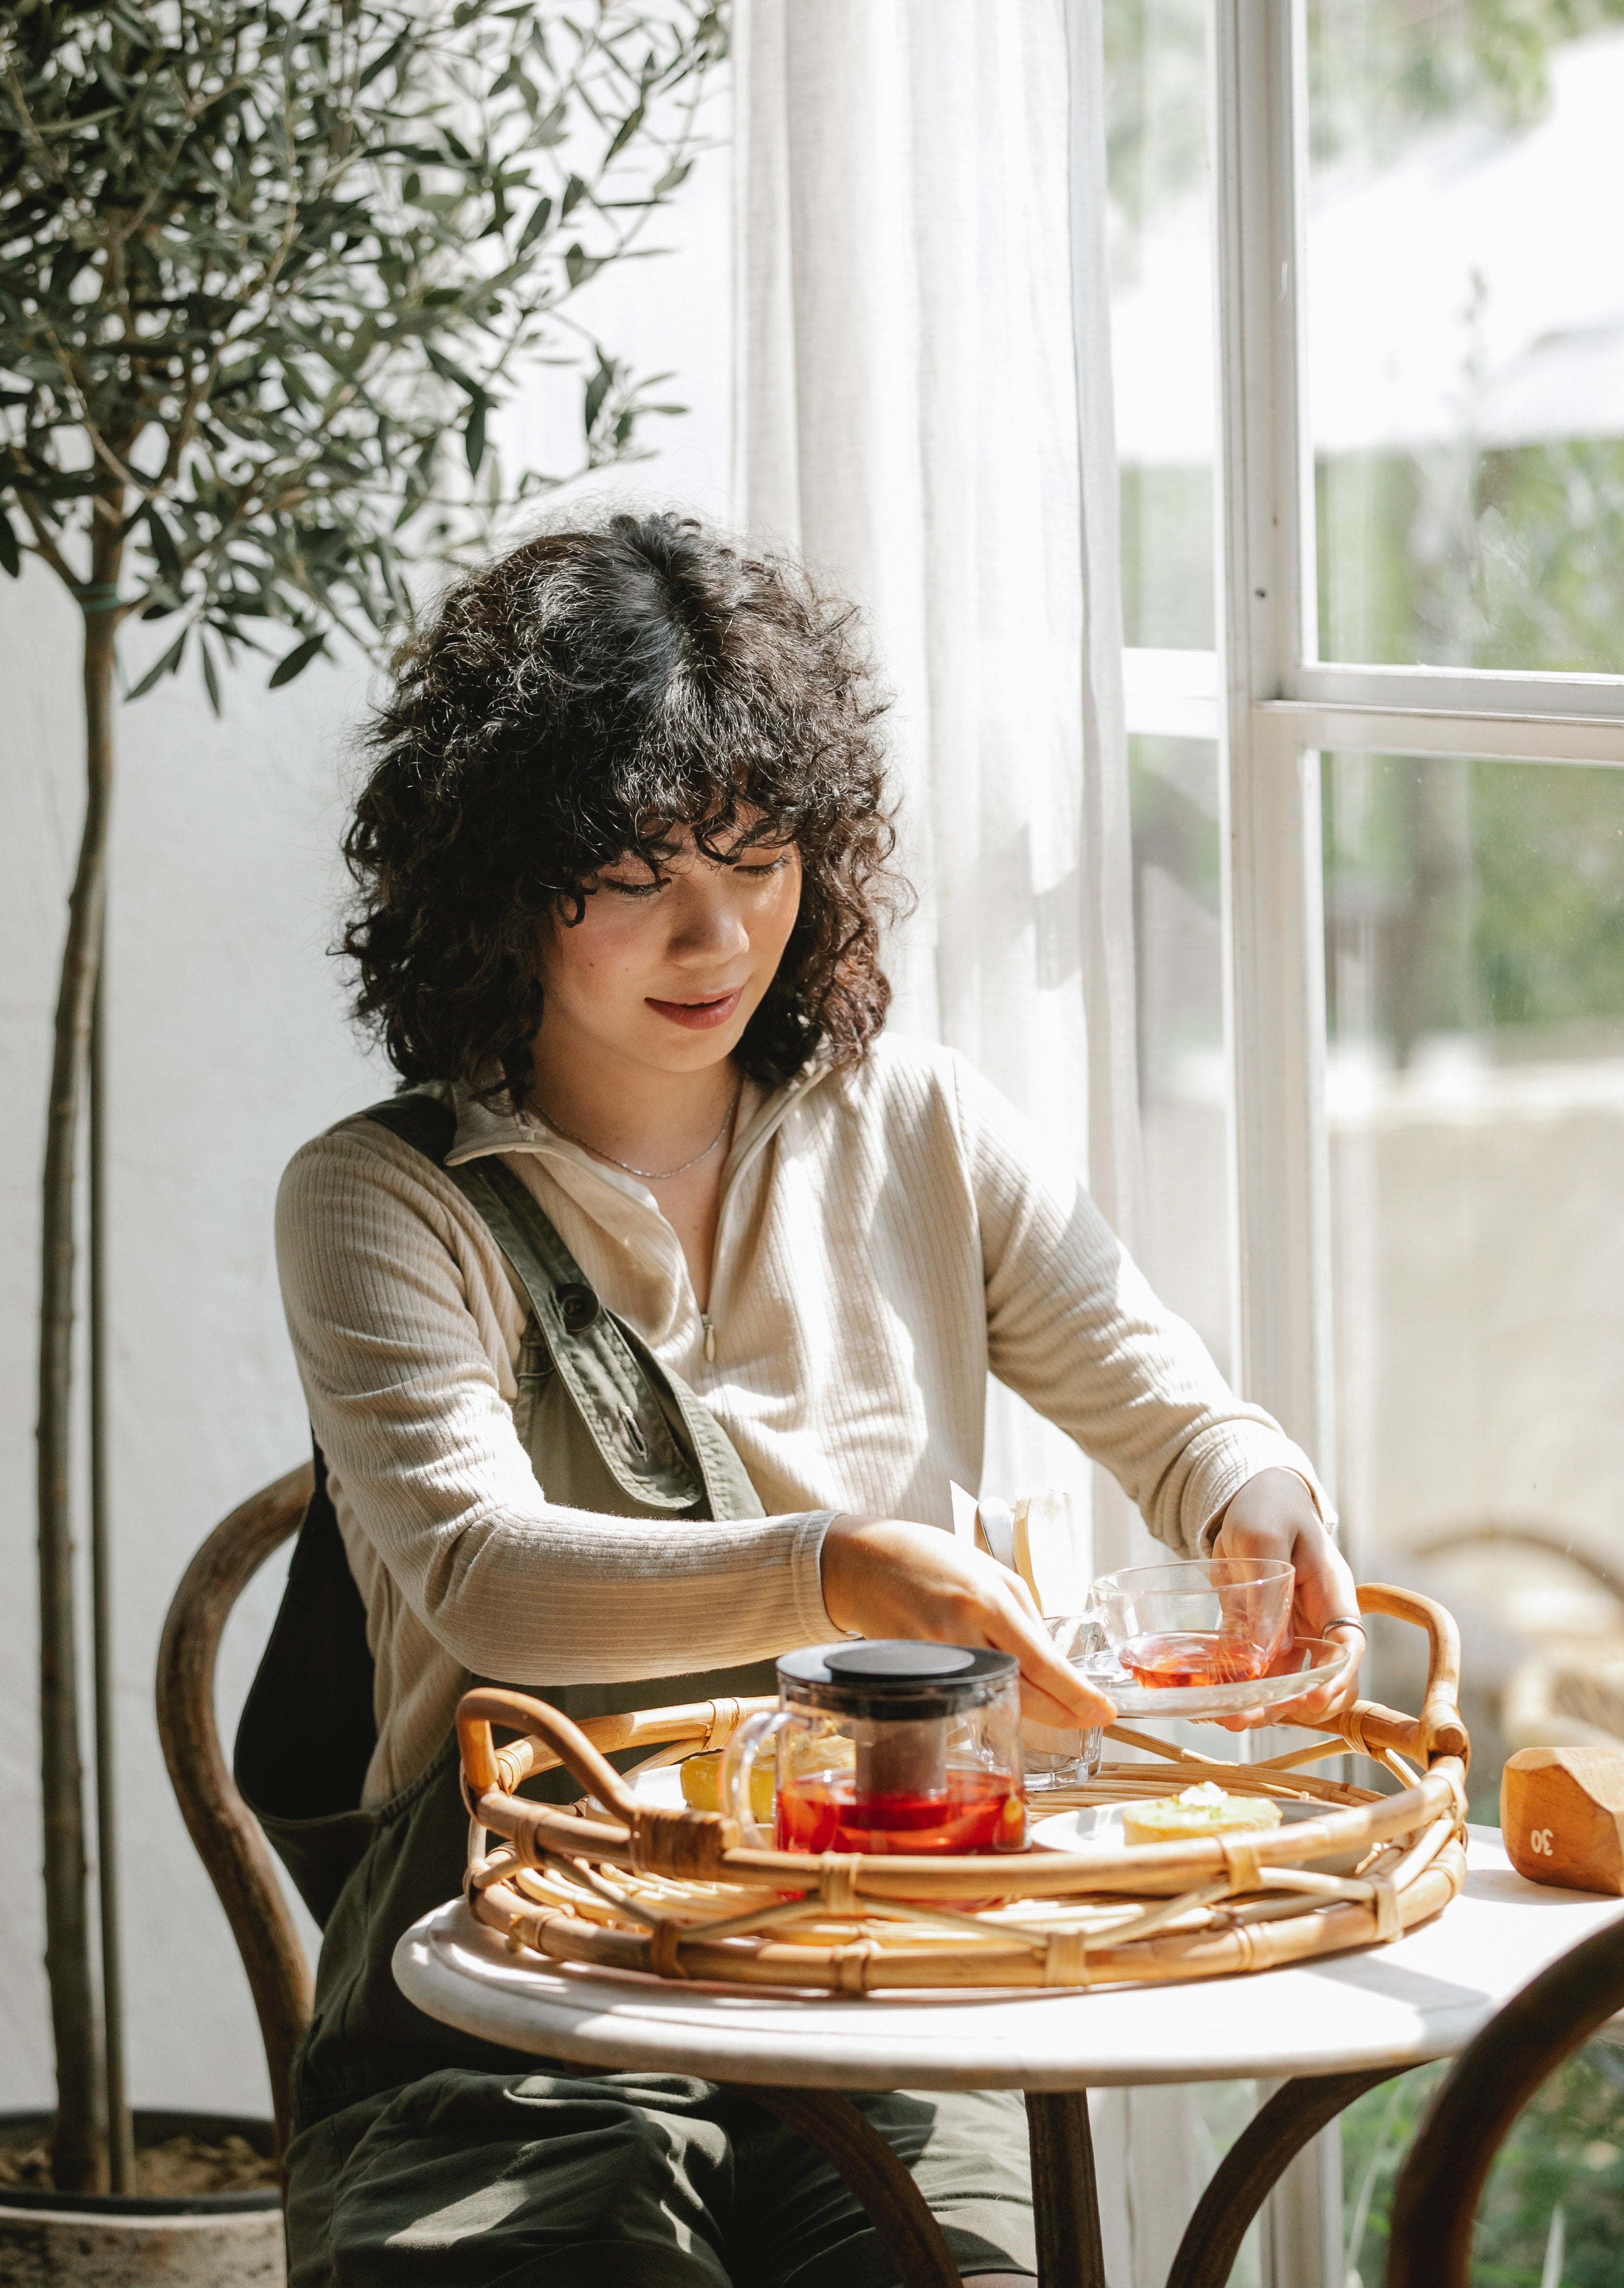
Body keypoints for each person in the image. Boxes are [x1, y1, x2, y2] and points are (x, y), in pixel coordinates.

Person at [257, 510, 1362, 2288]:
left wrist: (1243, 1484)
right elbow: (479, 1573)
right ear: (494, 880)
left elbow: (1155, 1394)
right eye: (633, 874)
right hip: (528, 1978)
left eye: (760, 859)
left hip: (892, 1950)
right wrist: (844, 1569)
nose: (715, 935)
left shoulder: (915, 1124)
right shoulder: (386, 1201)